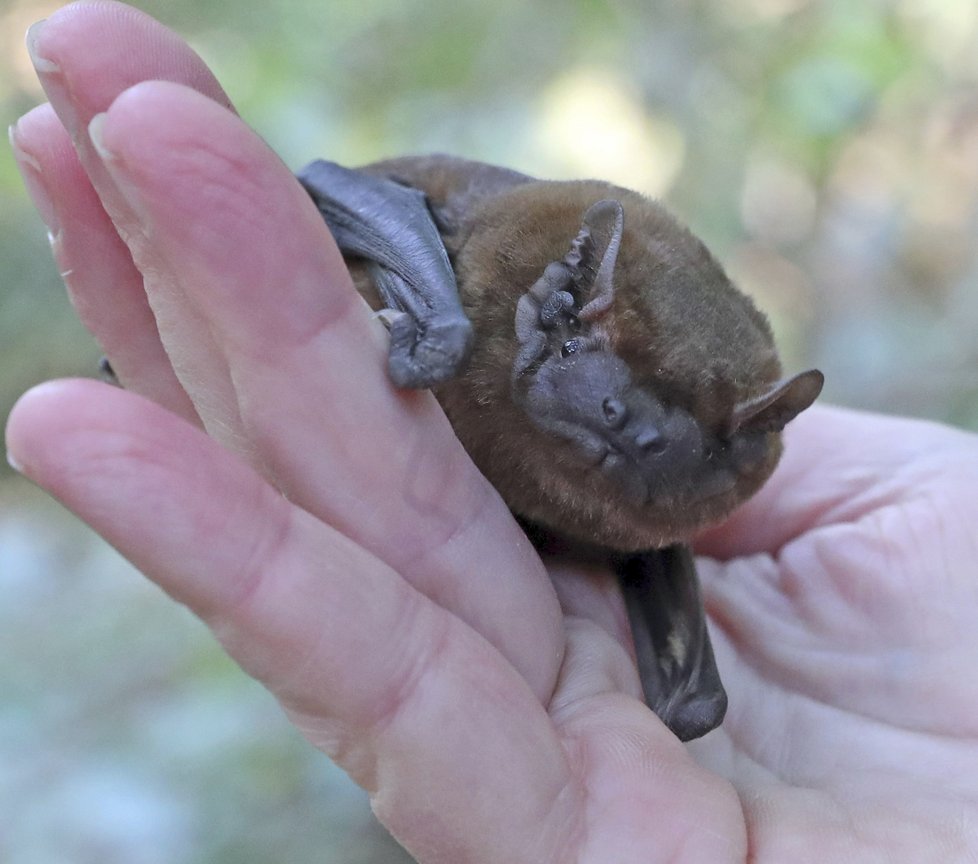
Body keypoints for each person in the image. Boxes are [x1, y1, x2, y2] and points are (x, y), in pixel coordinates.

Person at [7, 3, 978, 861]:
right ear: (567, 311)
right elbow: (342, 188)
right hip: (432, 275)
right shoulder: (484, 249)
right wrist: (435, 325)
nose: (620, 442)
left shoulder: (671, 492)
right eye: (614, 411)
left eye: (649, 443)